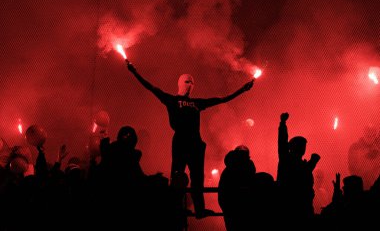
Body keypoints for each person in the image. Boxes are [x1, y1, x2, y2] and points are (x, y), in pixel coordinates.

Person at [126, 60, 254, 219]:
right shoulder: (172, 100)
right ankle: (175, 209)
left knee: (197, 178)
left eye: (192, 82)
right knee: (178, 176)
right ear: (180, 83)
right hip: (181, 141)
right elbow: (151, 87)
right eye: (187, 81)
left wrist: (242, 90)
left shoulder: (197, 103)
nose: (190, 84)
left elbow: (221, 99)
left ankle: (199, 209)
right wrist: (134, 72)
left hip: (195, 144)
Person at [276, 112, 320, 226]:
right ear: (292, 147)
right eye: (300, 145)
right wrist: (283, 124)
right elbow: (282, 141)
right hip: (290, 207)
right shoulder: (286, 159)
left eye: (303, 145)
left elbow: (303, 174)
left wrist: (312, 162)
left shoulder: (300, 163)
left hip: (303, 207)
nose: (302, 147)